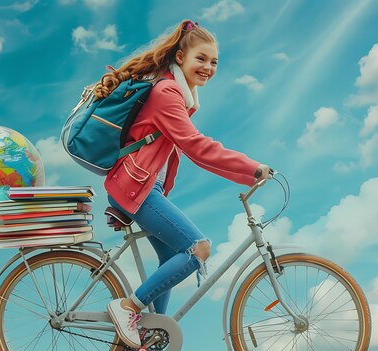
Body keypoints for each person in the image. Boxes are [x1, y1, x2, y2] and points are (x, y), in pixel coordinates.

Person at [96, 19, 271, 348]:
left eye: (214, 61)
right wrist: (251, 168)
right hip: (137, 188)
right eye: (201, 58)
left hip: (144, 188)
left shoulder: (178, 94)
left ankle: (150, 334)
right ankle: (128, 308)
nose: (208, 67)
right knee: (197, 248)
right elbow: (197, 147)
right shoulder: (167, 93)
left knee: (173, 257)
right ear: (180, 58)